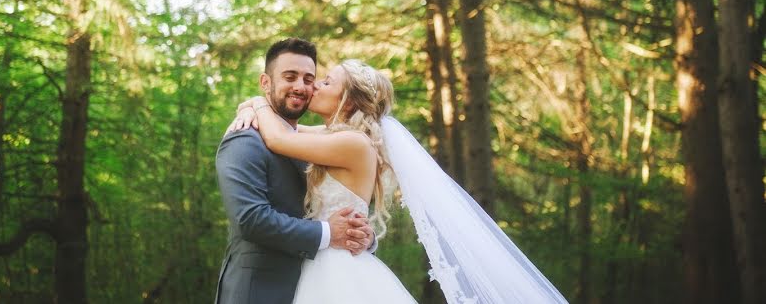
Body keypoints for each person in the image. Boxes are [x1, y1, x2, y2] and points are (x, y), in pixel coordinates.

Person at [229, 57, 569, 304]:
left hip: (336, 268)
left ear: (349, 100)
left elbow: (279, 139)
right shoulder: (336, 136)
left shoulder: (352, 143)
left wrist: (259, 100)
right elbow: (286, 127)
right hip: (321, 259)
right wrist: (251, 107)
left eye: (327, 82)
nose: (315, 85)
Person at [214, 38, 376, 304]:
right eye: (290, 77)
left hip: (322, 284)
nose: (301, 86)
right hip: (259, 292)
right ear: (266, 82)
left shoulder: (318, 144)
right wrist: (329, 232)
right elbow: (250, 219)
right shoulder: (244, 139)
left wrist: (363, 238)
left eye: (309, 78)